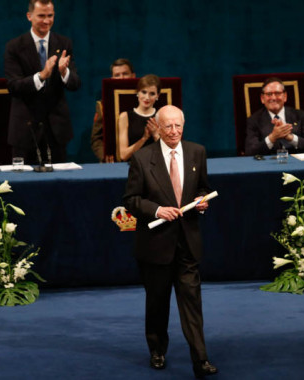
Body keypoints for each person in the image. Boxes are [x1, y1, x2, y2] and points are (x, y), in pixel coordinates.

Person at [123, 105, 218, 378]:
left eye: (178, 126)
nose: (174, 131)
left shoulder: (197, 152)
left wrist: (202, 202)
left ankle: (200, 359)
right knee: (157, 302)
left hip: (188, 242)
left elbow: (202, 187)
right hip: (155, 244)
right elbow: (130, 200)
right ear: (158, 127)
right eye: (168, 127)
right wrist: (157, 210)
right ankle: (157, 349)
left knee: (191, 302)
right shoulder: (142, 159)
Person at [4, 0, 81, 164]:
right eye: (41, 16)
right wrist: (41, 76)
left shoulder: (64, 43)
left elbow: (75, 83)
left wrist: (64, 72)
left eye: (50, 15)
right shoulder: (14, 47)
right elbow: (13, 86)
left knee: (59, 186)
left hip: (56, 131)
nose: (46, 21)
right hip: (25, 129)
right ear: (29, 16)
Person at [245, 77, 304, 156]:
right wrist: (272, 137)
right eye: (269, 94)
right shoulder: (254, 120)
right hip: (269, 165)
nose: (273, 98)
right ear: (262, 98)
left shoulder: (301, 116)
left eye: (277, 93)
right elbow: (250, 151)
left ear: (285, 96)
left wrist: (290, 137)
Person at [90, 58, 136, 163]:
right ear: (112, 79)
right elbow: (96, 139)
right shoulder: (103, 105)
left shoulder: (145, 101)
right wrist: (104, 156)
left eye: (125, 74)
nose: (121, 78)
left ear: (133, 76)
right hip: (113, 164)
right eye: (117, 75)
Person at [117, 74, 161, 161]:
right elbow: (123, 155)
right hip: (133, 166)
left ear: (157, 96)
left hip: (157, 165)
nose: (147, 97)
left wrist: (156, 135)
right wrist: (144, 138)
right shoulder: (125, 117)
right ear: (138, 92)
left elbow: (170, 152)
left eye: (152, 94)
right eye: (144, 92)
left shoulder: (162, 115)